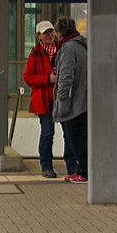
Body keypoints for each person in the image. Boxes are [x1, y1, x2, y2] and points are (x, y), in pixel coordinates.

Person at [23, 20, 78, 179]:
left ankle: (72, 166)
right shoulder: (35, 54)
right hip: (45, 100)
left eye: (51, 31)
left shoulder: (64, 48)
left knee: (69, 133)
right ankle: (46, 166)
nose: (49, 35)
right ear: (38, 36)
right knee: (47, 133)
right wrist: (47, 78)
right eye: (45, 32)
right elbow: (27, 77)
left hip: (63, 98)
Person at [53, 15, 88, 183]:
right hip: (85, 102)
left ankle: (84, 172)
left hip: (74, 104)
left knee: (75, 139)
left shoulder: (68, 48)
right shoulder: (83, 45)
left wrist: (61, 102)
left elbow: (66, 77)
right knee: (82, 137)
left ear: (59, 33)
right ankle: (84, 170)